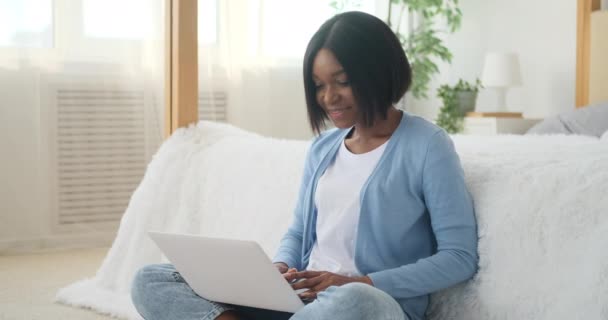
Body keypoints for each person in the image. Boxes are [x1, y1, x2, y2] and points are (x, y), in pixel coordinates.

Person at [131, 11, 478, 320]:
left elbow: (459, 257)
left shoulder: (428, 146)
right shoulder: (323, 148)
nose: (328, 98)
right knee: (150, 280)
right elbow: (299, 233)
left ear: (378, 72)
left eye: (342, 81)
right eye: (319, 86)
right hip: (300, 302)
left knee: (358, 301)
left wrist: (361, 281)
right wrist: (280, 269)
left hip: (370, 305)